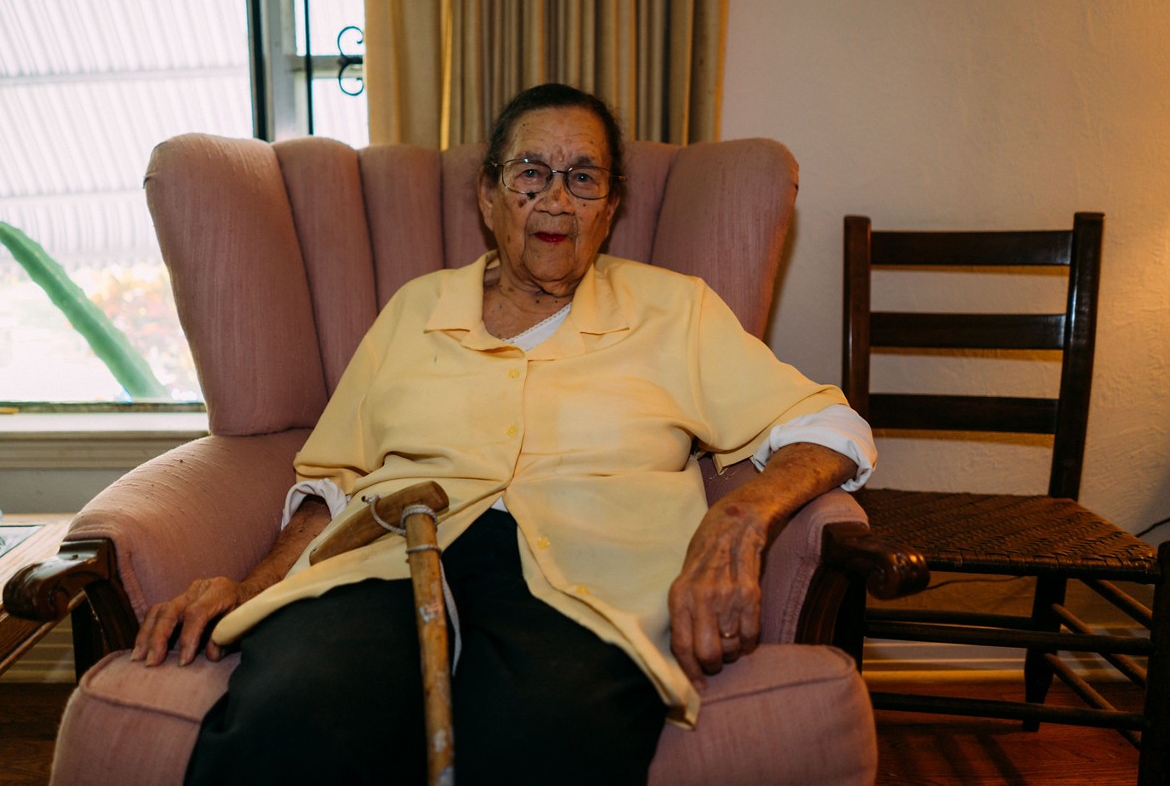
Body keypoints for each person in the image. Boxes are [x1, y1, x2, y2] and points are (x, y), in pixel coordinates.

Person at [131, 83, 876, 785]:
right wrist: (249, 587)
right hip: (387, 561)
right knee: (292, 714)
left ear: (609, 207)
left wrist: (738, 519)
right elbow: (333, 482)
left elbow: (830, 426)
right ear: (488, 196)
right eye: (531, 172)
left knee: (544, 741)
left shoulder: (673, 310)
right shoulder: (416, 308)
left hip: (588, 585)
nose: (556, 197)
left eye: (584, 177)